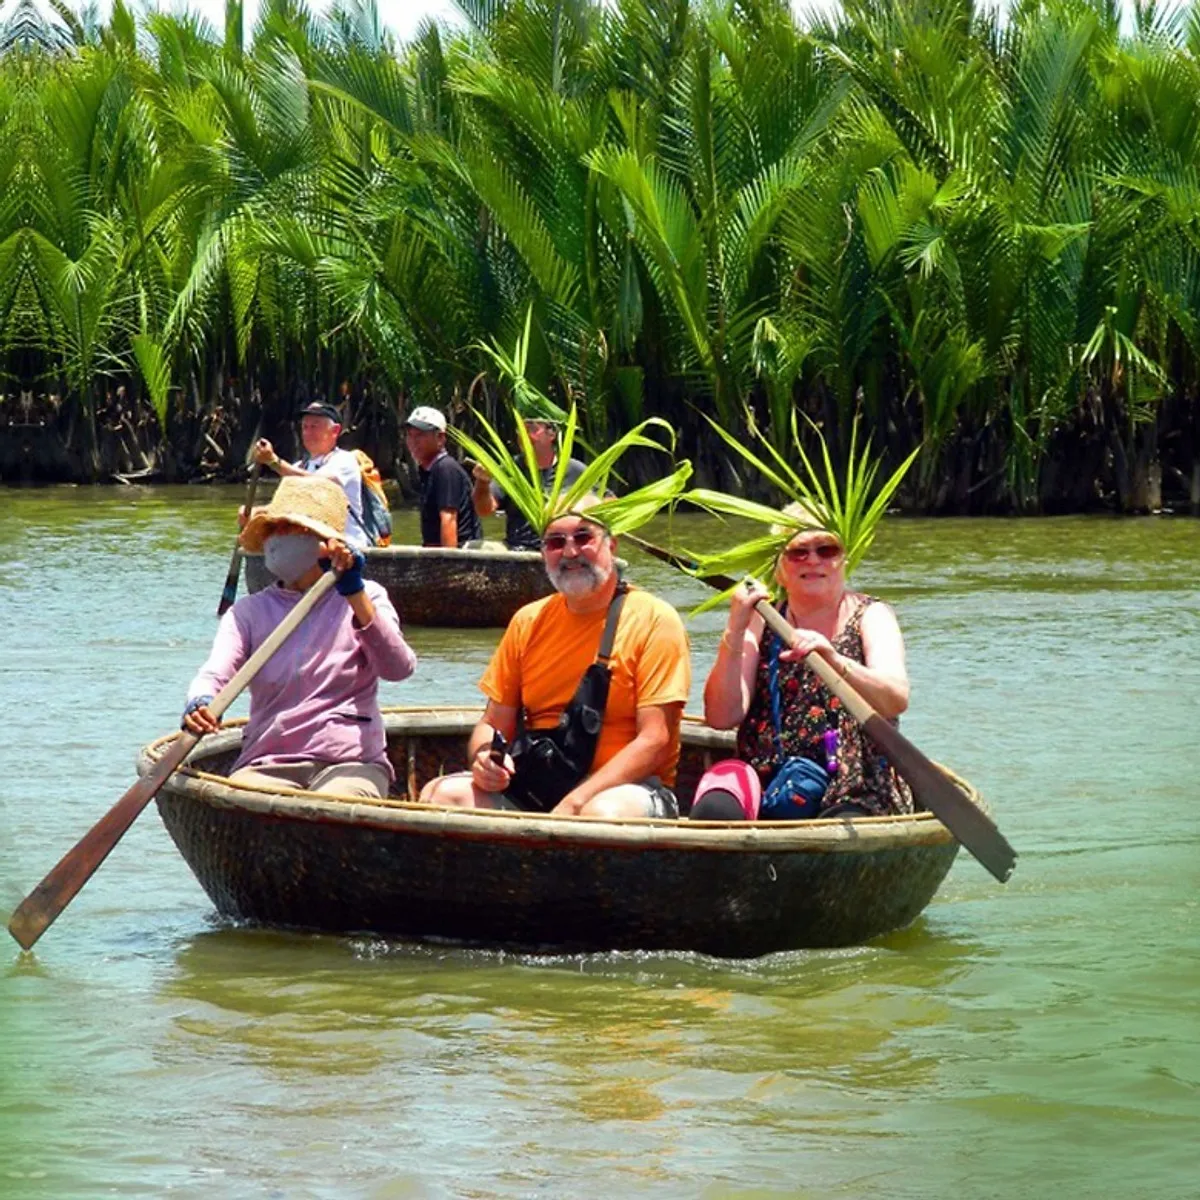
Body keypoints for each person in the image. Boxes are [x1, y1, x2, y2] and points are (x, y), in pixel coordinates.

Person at [419, 502, 690, 818]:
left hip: (628, 790)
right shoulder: (528, 621)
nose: (570, 552)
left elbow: (655, 740)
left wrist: (575, 803)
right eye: (556, 542)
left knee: (600, 813)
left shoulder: (655, 619)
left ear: (611, 546)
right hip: (543, 780)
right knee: (440, 794)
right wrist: (484, 760)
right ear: (543, 552)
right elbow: (493, 722)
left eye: (583, 538)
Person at [183, 475, 417, 799]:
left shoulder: (366, 598)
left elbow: (399, 668)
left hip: (350, 762)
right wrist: (201, 701)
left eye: (290, 529)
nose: (278, 540)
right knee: (250, 802)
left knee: (334, 804)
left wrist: (354, 594)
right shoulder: (249, 612)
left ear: (323, 542)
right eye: (274, 529)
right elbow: (216, 672)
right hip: (268, 760)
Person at [694, 504, 913, 820]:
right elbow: (722, 716)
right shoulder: (763, 619)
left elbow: (895, 699)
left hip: (853, 781)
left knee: (842, 833)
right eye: (799, 552)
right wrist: (735, 627)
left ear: (843, 560)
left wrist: (834, 660)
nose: (813, 560)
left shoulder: (871, 615)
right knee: (714, 810)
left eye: (826, 549)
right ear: (780, 567)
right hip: (771, 774)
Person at [252, 401, 368, 547]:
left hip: (346, 547)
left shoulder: (345, 461)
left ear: (335, 431)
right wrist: (255, 513)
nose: (308, 433)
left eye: (314, 426)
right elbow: (282, 507)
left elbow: (318, 484)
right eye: (305, 427)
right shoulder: (299, 466)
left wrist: (274, 462)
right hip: (309, 545)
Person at [471, 418, 586, 550]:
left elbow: (606, 500)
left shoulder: (574, 470)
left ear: (551, 434)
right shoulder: (511, 469)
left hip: (561, 548)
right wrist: (482, 482)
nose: (524, 436)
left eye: (531, 429)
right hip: (517, 548)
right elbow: (484, 510)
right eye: (521, 430)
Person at [403, 405, 482, 547]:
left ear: (440, 438)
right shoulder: (429, 470)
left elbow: (449, 519)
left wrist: (447, 565)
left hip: (462, 552)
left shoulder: (446, 468)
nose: (413, 441)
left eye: (420, 435)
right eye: (410, 435)